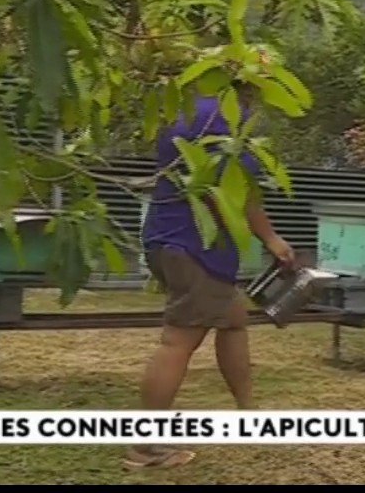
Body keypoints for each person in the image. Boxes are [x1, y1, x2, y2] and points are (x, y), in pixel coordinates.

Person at [125, 83, 296, 470]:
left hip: (167, 236)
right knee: (177, 342)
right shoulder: (222, 121)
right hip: (195, 244)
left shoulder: (185, 111)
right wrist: (271, 238)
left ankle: (247, 413)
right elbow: (238, 192)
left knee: (233, 320)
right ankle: (145, 447)